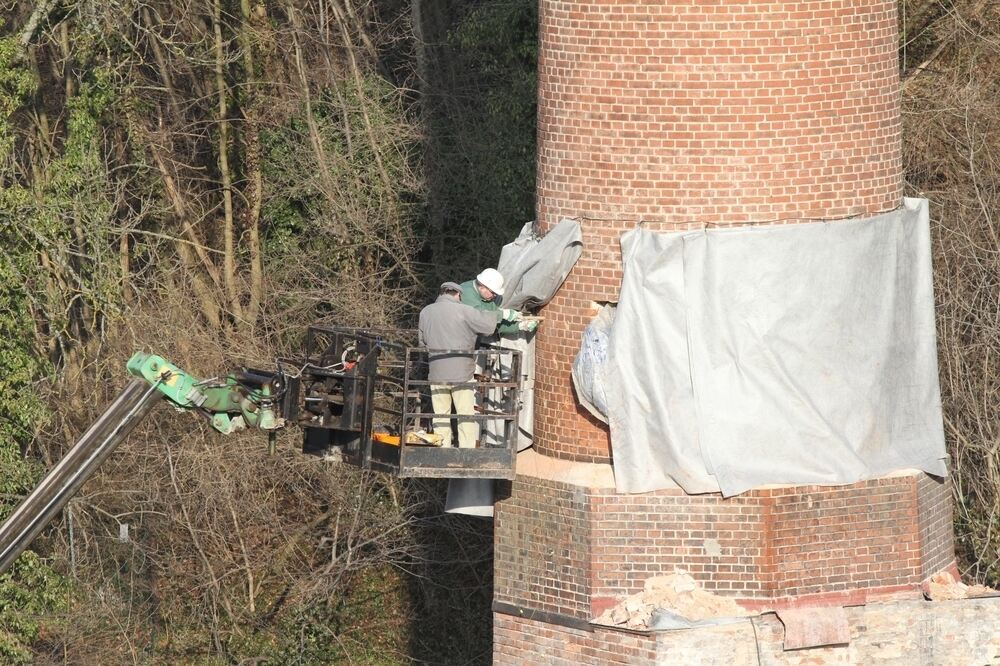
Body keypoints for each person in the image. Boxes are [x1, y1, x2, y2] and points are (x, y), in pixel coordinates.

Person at [418, 282, 519, 448]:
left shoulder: (425, 312)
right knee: (465, 414)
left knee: (441, 414)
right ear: (458, 295)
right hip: (461, 373)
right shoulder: (464, 310)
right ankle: (466, 450)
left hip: (436, 371)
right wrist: (506, 316)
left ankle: (442, 449)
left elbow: (422, 343)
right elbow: (486, 325)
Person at [459, 268, 538, 334]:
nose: (495, 296)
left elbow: (494, 325)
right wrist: (503, 314)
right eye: (493, 292)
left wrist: (520, 326)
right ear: (482, 287)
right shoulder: (466, 292)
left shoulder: (488, 298)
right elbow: (480, 317)